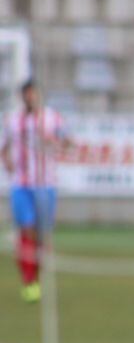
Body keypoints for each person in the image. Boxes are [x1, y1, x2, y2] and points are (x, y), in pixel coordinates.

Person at [1, 79, 71, 303]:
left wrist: (53, 142)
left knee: (41, 237)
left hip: (46, 184)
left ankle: (35, 279)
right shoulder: (13, 120)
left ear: (39, 95)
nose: (30, 97)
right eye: (27, 94)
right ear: (23, 96)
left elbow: (68, 141)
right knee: (27, 230)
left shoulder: (53, 118)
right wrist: (7, 162)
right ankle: (28, 281)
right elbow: (4, 148)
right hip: (21, 184)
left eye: (33, 93)